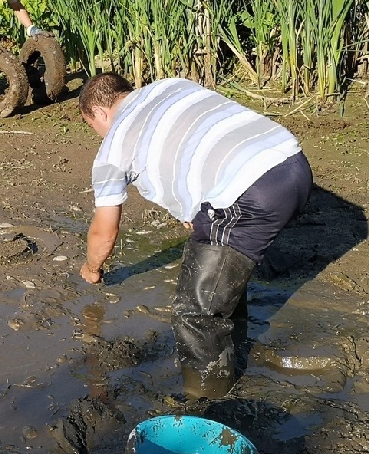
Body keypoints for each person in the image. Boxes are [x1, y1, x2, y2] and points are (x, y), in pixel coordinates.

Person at [77, 72, 313, 399]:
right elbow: (196, 143)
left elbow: (105, 232)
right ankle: (237, 352)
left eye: (93, 126)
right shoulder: (171, 85)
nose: (100, 135)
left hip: (252, 194)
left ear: (100, 114)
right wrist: (192, 211)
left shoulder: (112, 149)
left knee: (194, 314)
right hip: (292, 161)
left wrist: (91, 269)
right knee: (218, 272)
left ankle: (208, 404)